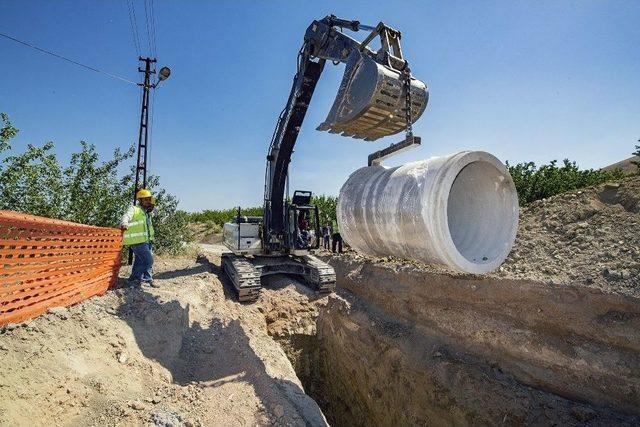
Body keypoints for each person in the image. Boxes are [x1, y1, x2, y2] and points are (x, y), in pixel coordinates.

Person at [121, 189, 157, 287]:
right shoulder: (134, 209)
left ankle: (147, 278)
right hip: (137, 241)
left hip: (147, 240)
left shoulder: (146, 213)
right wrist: (124, 223)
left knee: (140, 261)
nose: (148, 202)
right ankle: (133, 278)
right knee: (148, 261)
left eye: (149, 200)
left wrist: (152, 203)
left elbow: (149, 225)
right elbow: (126, 216)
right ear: (140, 200)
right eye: (145, 200)